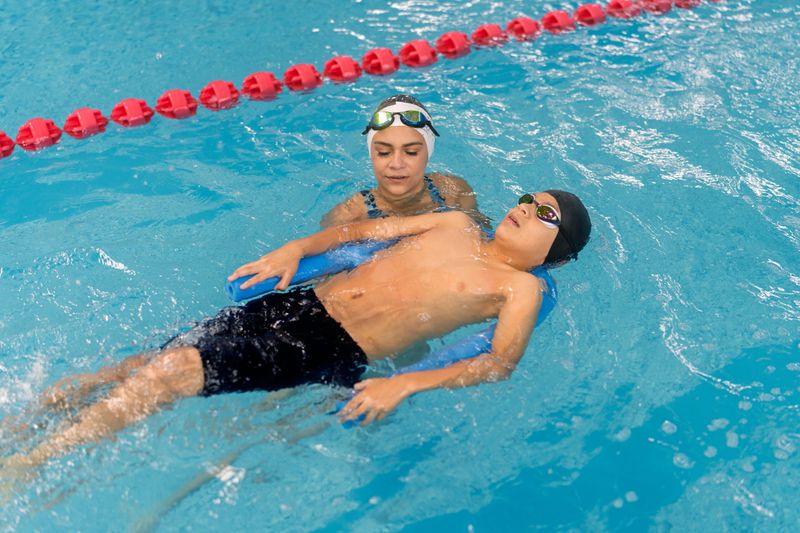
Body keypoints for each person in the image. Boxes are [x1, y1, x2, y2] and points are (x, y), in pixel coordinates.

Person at [3, 190, 591, 472]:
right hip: (297, 304)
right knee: (125, 370)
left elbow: (498, 363)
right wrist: (293, 249)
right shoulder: (454, 222)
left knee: (171, 370)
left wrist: (404, 385)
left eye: (545, 216)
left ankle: (34, 463)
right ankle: (19, 425)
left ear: (555, 252)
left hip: (331, 347)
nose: (524, 209)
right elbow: (353, 238)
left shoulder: (523, 288)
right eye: (527, 198)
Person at [321, 94, 490, 228]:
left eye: (411, 152)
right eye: (384, 152)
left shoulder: (454, 192)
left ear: (427, 154)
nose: (396, 164)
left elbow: (486, 242)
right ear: (371, 154)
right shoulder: (349, 217)